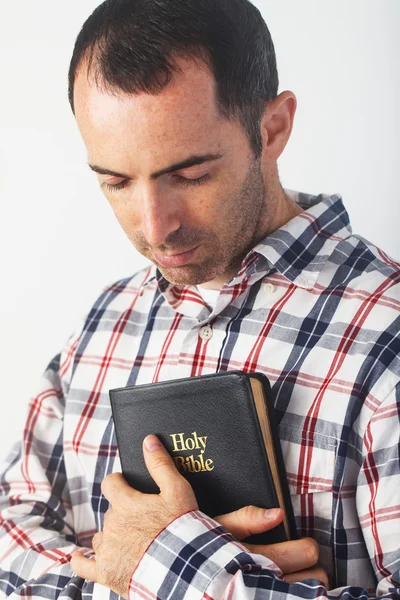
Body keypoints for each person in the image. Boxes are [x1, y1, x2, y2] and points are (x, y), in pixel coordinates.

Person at [0, 0, 399, 598]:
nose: (156, 227)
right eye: (115, 182)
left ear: (273, 128)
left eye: (189, 174)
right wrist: (142, 575)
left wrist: (151, 565)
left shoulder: (388, 336)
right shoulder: (103, 324)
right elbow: (9, 527)